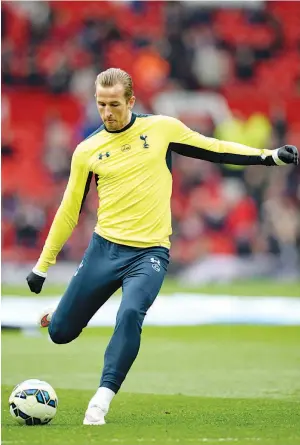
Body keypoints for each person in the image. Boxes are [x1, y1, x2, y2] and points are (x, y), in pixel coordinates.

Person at [26, 68, 299, 425]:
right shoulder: (87, 150)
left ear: (131, 101)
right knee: (61, 333)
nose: (107, 112)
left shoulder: (161, 129)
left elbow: (214, 149)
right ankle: (60, 314)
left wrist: (269, 156)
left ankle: (101, 401)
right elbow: (67, 212)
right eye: (101, 104)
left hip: (149, 253)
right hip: (104, 250)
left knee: (130, 313)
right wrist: (41, 266)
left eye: (114, 104)